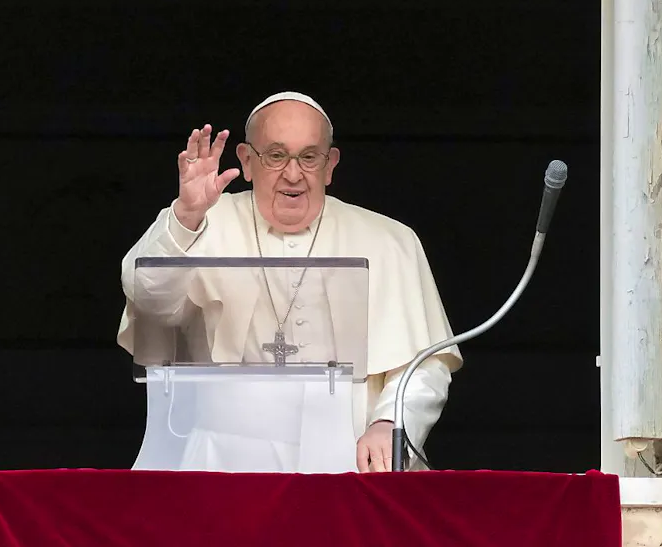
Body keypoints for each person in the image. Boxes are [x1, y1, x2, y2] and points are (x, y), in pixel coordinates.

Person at [117, 91, 461, 472]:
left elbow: (424, 366)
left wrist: (390, 425)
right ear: (247, 161)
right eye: (276, 156)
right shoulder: (202, 222)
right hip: (225, 460)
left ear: (330, 165)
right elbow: (148, 298)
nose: (293, 174)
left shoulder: (389, 240)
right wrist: (185, 215)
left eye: (309, 157)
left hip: (348, 457)